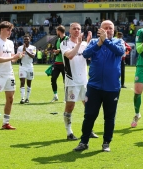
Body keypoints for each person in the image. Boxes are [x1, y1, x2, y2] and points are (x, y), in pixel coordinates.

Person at [73, 20, 125, 152]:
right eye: (105, 28)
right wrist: (99, 43)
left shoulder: (119, 41)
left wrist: (105, 41)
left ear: (114, 30)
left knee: (109, 117)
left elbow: (119, 52)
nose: (108, 30)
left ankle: (106, 142)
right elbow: (85, 54)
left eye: (110, 28)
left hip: (112, 87)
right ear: (100, 30)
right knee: (89, 115)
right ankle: (84, 141)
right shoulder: (93, 42)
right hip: (94, 87)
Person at [60, 23, 98, 141]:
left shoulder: (84, 44)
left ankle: (89, 130)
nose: (76, 30)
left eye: (78, 29)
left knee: (89, 106)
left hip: (84, 81)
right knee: (70, 106)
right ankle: (69, 132)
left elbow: (90, 57)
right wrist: (79, 43)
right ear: (69, 31)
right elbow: (70, 56)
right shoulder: (64, 43)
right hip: (72, 81)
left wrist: (89, 43)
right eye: (74, 29)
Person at [51, 25, 68, 102]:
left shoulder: (67, 39)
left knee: (66, 81)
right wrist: (55, 52)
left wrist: (59, 51)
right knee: (53, 78)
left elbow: (68, 49)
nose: (56, 32)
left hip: (65, 63)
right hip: (57, 63)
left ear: (59, 31)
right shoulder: (57, 40)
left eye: (57, 31)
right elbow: (54, 49)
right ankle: (55, 95)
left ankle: (66, 97)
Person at [18, 35, 36, 104]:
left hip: (30, 67)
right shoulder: (20, 48)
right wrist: (22, 52)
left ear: (29, 40)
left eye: (27, 39)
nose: (26, 41)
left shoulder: (33, 47)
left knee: (29, 83)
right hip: (22, 67)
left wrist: (26, 51)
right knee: (22, 82)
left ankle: (27, 98)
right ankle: (22, 98)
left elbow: (33, 56)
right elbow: (18, 57)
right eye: (24, 39)